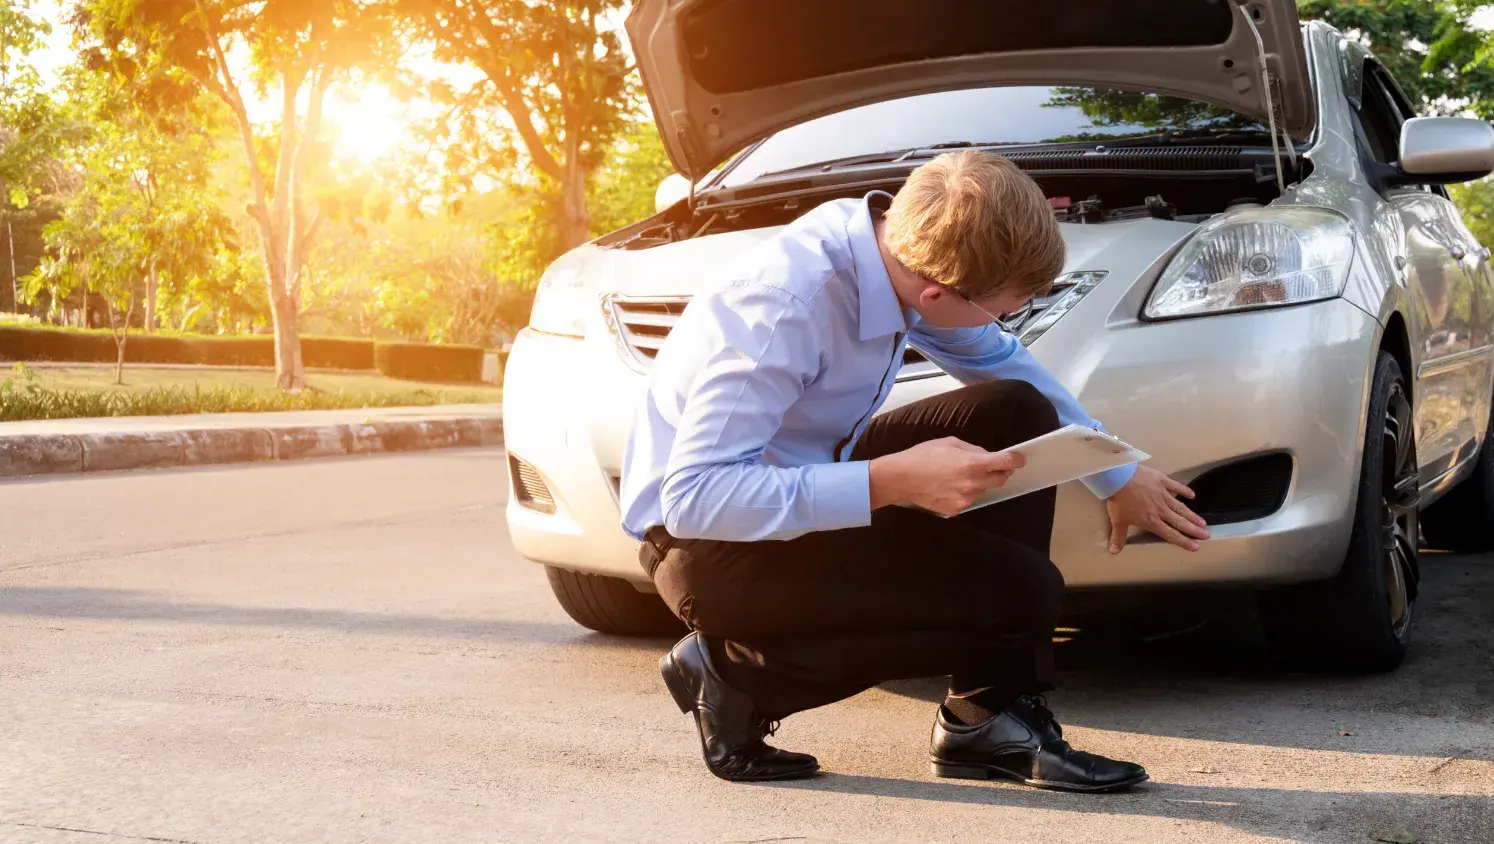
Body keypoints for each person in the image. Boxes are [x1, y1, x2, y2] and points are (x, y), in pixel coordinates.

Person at [618, 150, 1210, 792]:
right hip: (713, 547)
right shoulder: (783, 312)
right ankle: (736, 676)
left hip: (805, 472)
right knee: (1022, 594)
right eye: (1002, 309)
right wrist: (891, 481)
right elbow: (696, 499)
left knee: (1017, 409)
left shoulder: (887, 242)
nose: (1003, 323)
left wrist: (1114, 471)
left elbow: (1004, 363)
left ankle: (986, 719)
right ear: (935, 293)